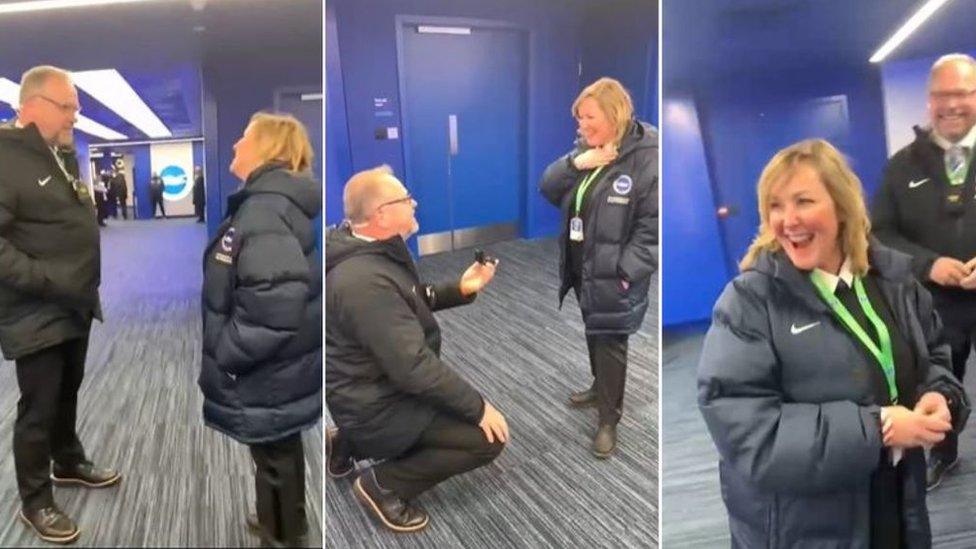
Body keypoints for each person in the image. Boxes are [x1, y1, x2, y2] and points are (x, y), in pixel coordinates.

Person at [698, 139, 970, 548]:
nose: (788, 220)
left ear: (843, 207)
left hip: (897, 501)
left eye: (803, 201)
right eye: (775, 205)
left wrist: (939, 393)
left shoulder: (894, 282)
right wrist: (880, 428)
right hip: (805, 526)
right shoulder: (749, 303)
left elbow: (934, 354)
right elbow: (747, 432)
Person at [325, 165, 508, 533]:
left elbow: (408, 301)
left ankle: (345, 443)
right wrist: (477, 406)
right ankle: (383, 485)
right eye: (406, 199)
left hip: (367, 390)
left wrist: (460, 288)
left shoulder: (372, 251)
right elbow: (412, 366)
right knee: (487, 439)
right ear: (381, 214)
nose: (415, 203)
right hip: (377, 403)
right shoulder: (363, 280)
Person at [0, 65, 120, 545]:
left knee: (68, 389)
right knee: (39, 404)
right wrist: (44, 280)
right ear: (33, 104)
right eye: (67, 105)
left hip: (72, 301)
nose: (76, 114)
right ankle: (36, 501)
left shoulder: (55, 154)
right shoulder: (5, 157)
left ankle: (67, 459)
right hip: (35, 307)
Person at [199, 112, 322, 547]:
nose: (234, 145)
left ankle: (285, 535)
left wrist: (228, 352)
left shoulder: (265, 212)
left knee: (276, 454)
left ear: (266, 149)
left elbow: (274, 308)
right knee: (276, 451)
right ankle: (280, 522)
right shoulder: (265, 205)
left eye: (243, 137)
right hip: (278, 365)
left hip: (267, 365)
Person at [872, 53, 976, 490]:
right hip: (936, 305)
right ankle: (945, 453)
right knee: (940, 384)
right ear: (929, 101)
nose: (951, 104)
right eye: (941, 95)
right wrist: (929, 265)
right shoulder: (902, 166)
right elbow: (880, 234)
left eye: (962, 93)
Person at [539, 77, 657, 458]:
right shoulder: (586, 149)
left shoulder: (648, 156)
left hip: (615, 273)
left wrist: (625, 272)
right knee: (594, 330)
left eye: (588, 117)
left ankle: (609, 420)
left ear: (614, 114)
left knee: (610, 342)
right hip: (583, 263)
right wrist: (577, 163)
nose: (580, 126)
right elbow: (549, 188)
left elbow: (652, 228)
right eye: (579, 119)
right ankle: (597, 388)